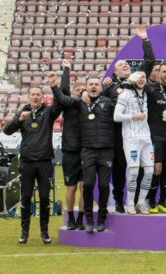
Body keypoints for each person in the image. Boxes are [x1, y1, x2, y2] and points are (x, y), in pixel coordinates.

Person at [49, 73, 116, 233]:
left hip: (107, 151)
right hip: (88, 151)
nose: (93, 86)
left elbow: (123, 103)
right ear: (86, 88)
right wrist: (53, 86)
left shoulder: (109, 103)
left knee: (104, 186)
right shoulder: (80, 103)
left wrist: (113, 84)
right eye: (91, 84)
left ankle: (101, 218)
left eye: (96, 84)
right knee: (87, 185)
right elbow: (64, 99)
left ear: (100, 88)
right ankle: (89, 220)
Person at [103, 25, 155, 213]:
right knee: (120, 167)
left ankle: (138, 201)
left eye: (126, 64)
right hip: (118, 132)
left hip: (141, 131)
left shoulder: (136, 80)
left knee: (143, 168)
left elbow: (149, 61)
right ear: (114, 72)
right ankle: (118, 200)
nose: (125, 65)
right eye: (120, 65)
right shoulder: (109, 87)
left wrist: (145, 40)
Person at [3, 85, 62, 244]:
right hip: (27, 163)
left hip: (44, 162)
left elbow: (60, 105)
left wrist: (56, 85)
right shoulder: (23, 113)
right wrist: (19, 119)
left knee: (44, 198)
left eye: (38, 94)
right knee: (26, 197)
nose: (35, 97)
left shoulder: (48, 112)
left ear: (42, 97)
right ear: (28, 97)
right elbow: (7, 131)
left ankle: (44, 231)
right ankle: (24, 232)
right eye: (33, 95)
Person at [113, 70, 154, 214]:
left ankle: (141, 203)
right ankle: (130, 203)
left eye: (144, 77)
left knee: (149, 171)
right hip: (131, 137)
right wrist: (133, 116)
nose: (142, 79)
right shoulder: (124, 94)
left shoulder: (145, 93)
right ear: (133, 79)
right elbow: (116, 116)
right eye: (139, 77)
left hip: (146, 137)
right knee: (134, 171)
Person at [145, 63, 166, 213]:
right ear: (158, 74)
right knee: (157, 168)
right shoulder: (151, 89)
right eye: (164, 71)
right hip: (155, 134)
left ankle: (162, 202)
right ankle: (151, 201)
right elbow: (136, 82)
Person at [58, 59, 85, 230]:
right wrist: (66, 69)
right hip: (69, 151)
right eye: (78, 89)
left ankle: (81, 219)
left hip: (86, 152)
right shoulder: (68, 105)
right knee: (71, 187)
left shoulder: (89, 106)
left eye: (83, 89)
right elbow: (63, 90)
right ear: (73, 92)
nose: (81, 91)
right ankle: (71, 218)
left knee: (85, 187)